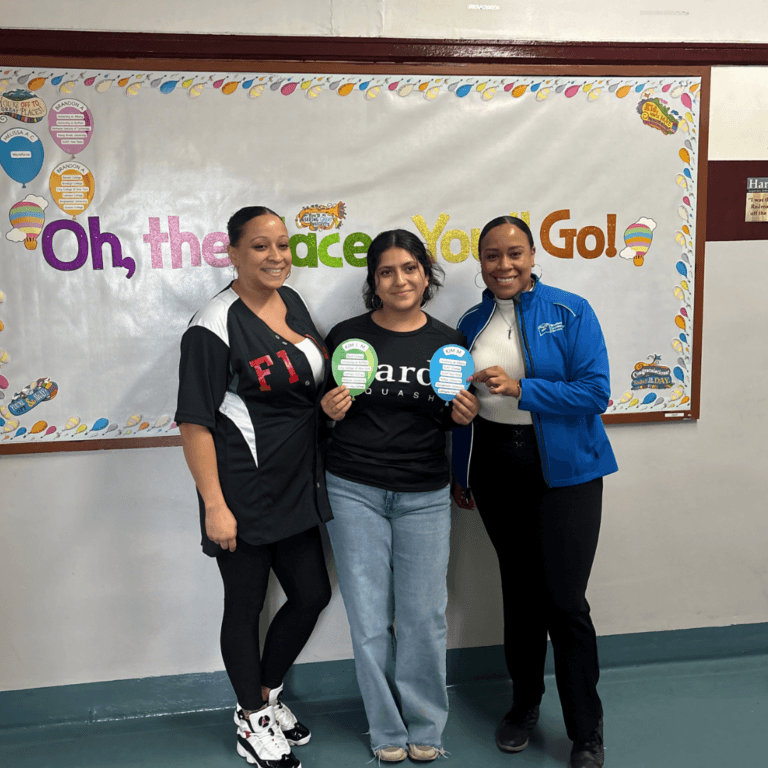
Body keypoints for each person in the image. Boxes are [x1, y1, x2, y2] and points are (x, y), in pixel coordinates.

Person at [451, 216, 618, 768]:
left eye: (515, 254)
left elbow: (595, 393)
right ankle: (523, 706)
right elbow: (458, 405)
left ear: (532, 255)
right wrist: (461, 467)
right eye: (493, 256)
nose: (504, 266)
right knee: (520, 597)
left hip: (567, 473)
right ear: (480, 262)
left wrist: (524, 388)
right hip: (497, 469)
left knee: (565, 603)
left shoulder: (571, 311)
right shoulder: (471, 322)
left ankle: (586, 731)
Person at [175, 206, 332, 768]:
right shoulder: (212, 324)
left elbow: (307, 387)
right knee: (243, 608)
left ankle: (262, 696)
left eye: (283, 246)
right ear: (233, 253)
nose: (276, 257)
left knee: (312, 594)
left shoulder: (293, 303)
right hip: (241, 491)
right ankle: (251, 718)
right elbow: (194, 424)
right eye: (261, 247)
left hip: (298, 485)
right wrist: (215, 507)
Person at [321, 230, 478, 763]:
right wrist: (329, 410)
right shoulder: (345, 335)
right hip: (353, 490)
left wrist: (461, 417)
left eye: (409, 268)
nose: (399, 280)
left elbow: (447, 413)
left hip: (424, 494)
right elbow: (317, 412)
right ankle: (385, 729)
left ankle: (426, 725)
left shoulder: (449, 342)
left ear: (425, 274)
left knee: (423, 617)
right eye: (386, 271)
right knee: (368, 619)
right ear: (373, 282)